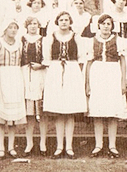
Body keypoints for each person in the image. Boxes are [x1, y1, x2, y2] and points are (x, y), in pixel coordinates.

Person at [42, 11, 87, 159]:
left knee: (70, 111)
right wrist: (54, 73)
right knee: (58, 111)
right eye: (61, 20)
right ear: (57, 22)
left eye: (66, 20)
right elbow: (47, 58)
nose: (64, 22)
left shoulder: (76, 37)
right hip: (55, 72)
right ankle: (59, 146)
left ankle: (69, 147)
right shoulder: (50, 38)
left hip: (72, 72)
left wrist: (74, 74)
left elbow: (81, 59)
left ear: (70, 22)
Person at [86, 14, 127, 158]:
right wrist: (87, 84)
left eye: (108, 24)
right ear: (98, 25)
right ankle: (98, 145)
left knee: (112, 113)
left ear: (112, 26)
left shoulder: (119, 41)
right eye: (103, 23)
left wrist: (123, 81)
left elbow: (123, 62)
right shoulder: (92, 41)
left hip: (113, 74)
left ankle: (112, 145)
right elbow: (89, 63)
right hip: (97, 75)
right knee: (97, 113)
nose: (106, 26)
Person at [0, 19, 26, 160]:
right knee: (1, 116)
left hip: (15, 77)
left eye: (15, 27)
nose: (13, 30)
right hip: (2, 77)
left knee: (13, 117)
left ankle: (11, 146)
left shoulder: (20, 44)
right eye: (10, 27)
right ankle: (1, 147)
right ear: (5, 29)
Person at [20, 17, 48, 157]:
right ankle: (29, 143)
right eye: (30, 23)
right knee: (29, 112)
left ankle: (43, 142)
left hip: (40, 74)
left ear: (39, 25)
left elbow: (48, 58)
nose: (32, 26)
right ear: (26, 25)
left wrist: (41, 65)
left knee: (41, 112)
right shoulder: (21, 39)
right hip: (25, 75)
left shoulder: (44, 40)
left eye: (35, 24)